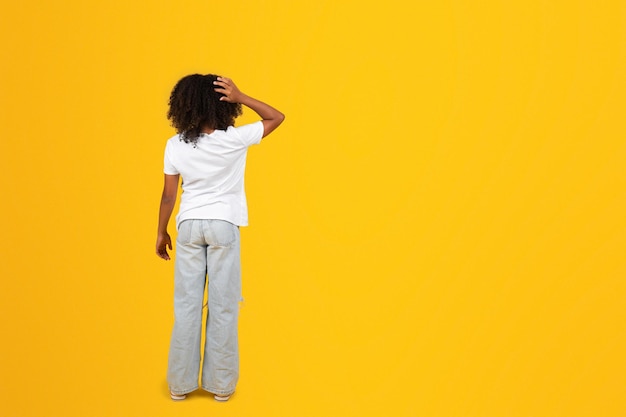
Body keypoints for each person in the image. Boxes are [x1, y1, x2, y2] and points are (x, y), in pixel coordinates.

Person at [156, 74, 284, 402]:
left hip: (188, 226)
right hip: (223, 225)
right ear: (220, 105)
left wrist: (161, 231)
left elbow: (169, 196)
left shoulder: (175, 145)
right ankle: (221, 386)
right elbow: (276, 117)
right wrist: (241, 96)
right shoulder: (234, 139)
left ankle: (180, 386)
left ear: (182, 107)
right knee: (223, 306)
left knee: (186, 306)